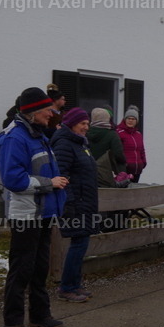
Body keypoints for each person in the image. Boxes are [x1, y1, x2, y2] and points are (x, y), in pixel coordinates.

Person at [0, 87, 68, 327]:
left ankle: (40, 315)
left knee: (40, 267)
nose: (53, 113)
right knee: (22, 268)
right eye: (48, 109)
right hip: (26, 216)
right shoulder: (15, 137)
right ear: (34, 111)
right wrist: (50, 183)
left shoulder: (37, 134)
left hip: (44, 213)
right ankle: (13, 321)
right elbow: (13, 179)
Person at [51, 107, 99, 302]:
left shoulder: (80, 144)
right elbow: (62, 175)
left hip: (85, 200)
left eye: (88, 124)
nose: (86, 127)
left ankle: (75, 284)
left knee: (82, 242)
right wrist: (70, 202)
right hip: (74, 203)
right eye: (83, 124)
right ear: (72, 124)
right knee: (78, 243)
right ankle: (67, 287)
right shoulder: (64, 144)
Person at [87, 108, 127, 187]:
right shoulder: (112, 135)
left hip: (89, 173)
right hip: (107, 175)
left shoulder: (85, 133)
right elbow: (118, 154)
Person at [117, 106, 147, 183]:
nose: (130, 121)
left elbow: (142, 150)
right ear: (125, 119)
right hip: (125, 170)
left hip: (137, 170)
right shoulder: (119, 133)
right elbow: (117, 151)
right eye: (128, 118)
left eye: (133, 119)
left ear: (136, 121)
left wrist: (143, 163)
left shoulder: (138, 134)